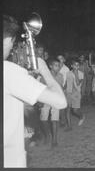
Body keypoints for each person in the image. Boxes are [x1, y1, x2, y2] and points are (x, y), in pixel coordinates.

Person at [3, 15, 67, 168]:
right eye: (13, 43)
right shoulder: (9, 71)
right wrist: (45, 71)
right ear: (7, 40)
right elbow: (61, 101)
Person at [39, 58, 64, 147]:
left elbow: (61, 88)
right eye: (56, 65)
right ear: (50, 66)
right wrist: (40, 101)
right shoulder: (45, 76)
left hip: (55, 100)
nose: (58, 67)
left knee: (54, 120)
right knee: (43, 120)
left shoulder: (60, 76)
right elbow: (41, 88)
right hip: (46, 99)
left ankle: (54, 139)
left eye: (59, 65)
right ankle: (47, 135)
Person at [65, 59, 85, 131]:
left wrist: (76, 73)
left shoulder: (81, 74)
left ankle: (81, 116)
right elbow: (66, 83)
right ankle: (69, 126)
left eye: (77, 65)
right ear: (71, 66)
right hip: (69, 93)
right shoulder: (68, 73)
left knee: (75, 110)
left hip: (76, 93)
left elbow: (78, 83)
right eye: (75, 65)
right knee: (68, 109)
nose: (76, 66)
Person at [57, 54, 70, 127]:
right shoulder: (56, 67)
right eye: (58, 59)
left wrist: (64, 87)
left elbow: (68, 79)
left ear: (64, 60)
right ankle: (61, 120)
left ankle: (63, 121)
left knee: (63, 105)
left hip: (64, 89)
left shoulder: (66, 69)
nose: (60, 60)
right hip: (56, 89)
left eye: (61, 58)